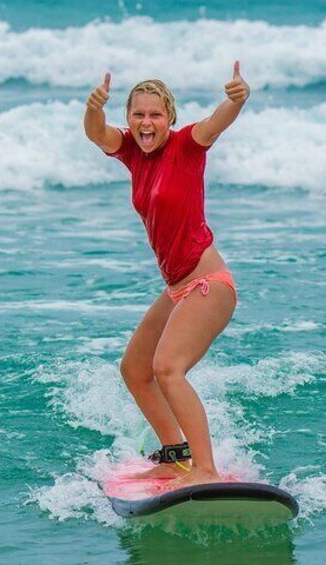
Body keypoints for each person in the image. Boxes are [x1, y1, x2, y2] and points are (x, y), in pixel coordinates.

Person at [83, 61, 250, 486]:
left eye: (155, 114)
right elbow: (95, 133)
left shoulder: (187, 145)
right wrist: (94, 107)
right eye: (138, 114)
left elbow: (215, 124)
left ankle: (205, 469)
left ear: (169, 118)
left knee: (168, 369)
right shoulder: (130, 152)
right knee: (135, 369)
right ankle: (174, 451)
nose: (146, 122)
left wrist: (236, 100)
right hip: (177, 288)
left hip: (209, 284)